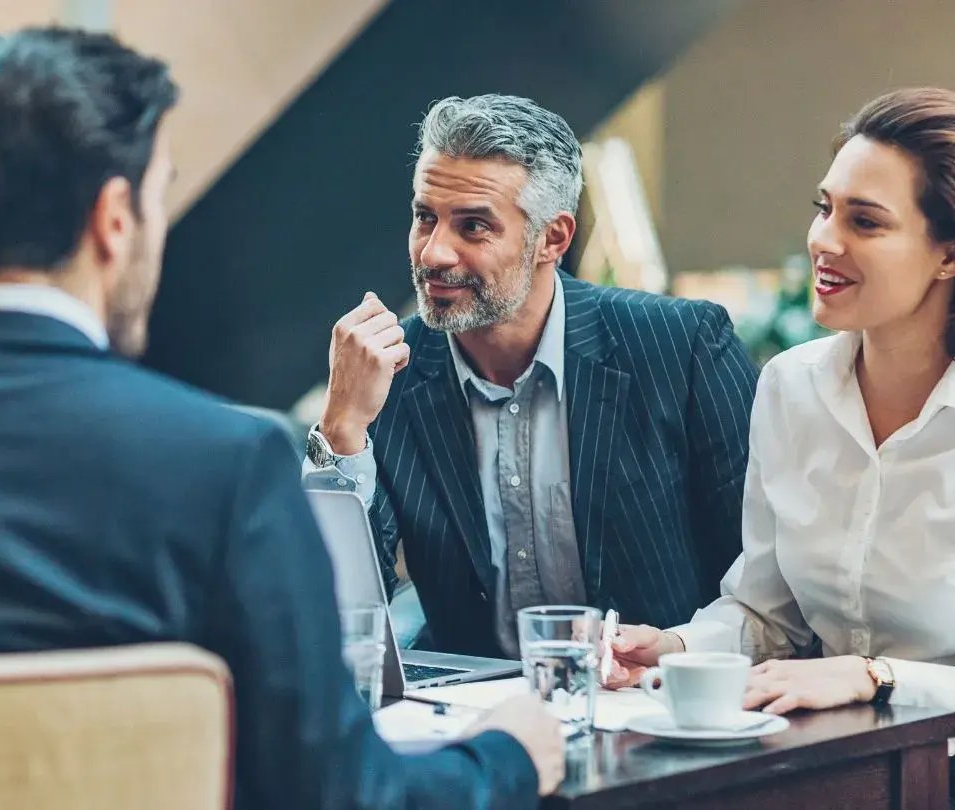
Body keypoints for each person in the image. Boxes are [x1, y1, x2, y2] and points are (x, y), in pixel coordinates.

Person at [0, 28, 563, 809]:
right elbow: (341, 794)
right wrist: (510, 754)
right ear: (114, 219)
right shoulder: (224, 467)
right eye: (159, 198)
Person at [606, 87, 955, 808]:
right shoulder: (791, 386)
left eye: (865, 221)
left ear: (952, 256)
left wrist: (877, 677)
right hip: (835, 765)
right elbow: (764, 614)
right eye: (824, 207)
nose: (823, 240)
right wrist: (678, 648)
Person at [305, 94, 758, 659]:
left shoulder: (681, 346)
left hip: (664, 706)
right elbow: (327, 602)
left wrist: (685, 652)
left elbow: (762, 579)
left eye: (473, 226)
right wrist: (342, 428)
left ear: (553, 239)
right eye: (426, 217)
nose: (434, 252)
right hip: (474, 723)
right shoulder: (388, 372)